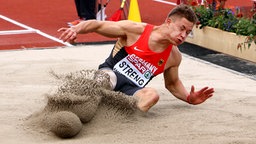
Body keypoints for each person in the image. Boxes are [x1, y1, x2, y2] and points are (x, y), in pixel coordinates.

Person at [58, 4, 214, 112]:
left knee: (152, 95)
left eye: (187, 32)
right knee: (107, 79)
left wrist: (188, 98)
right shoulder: (136, 31)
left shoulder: (174, 56)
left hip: (130, 91)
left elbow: (172, 83)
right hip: (109, 74)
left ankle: (117, 117)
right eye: (182, 29)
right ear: (168, 22)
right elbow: (97, 25)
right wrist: (76, 29)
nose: (183, 36)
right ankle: (79, 105)